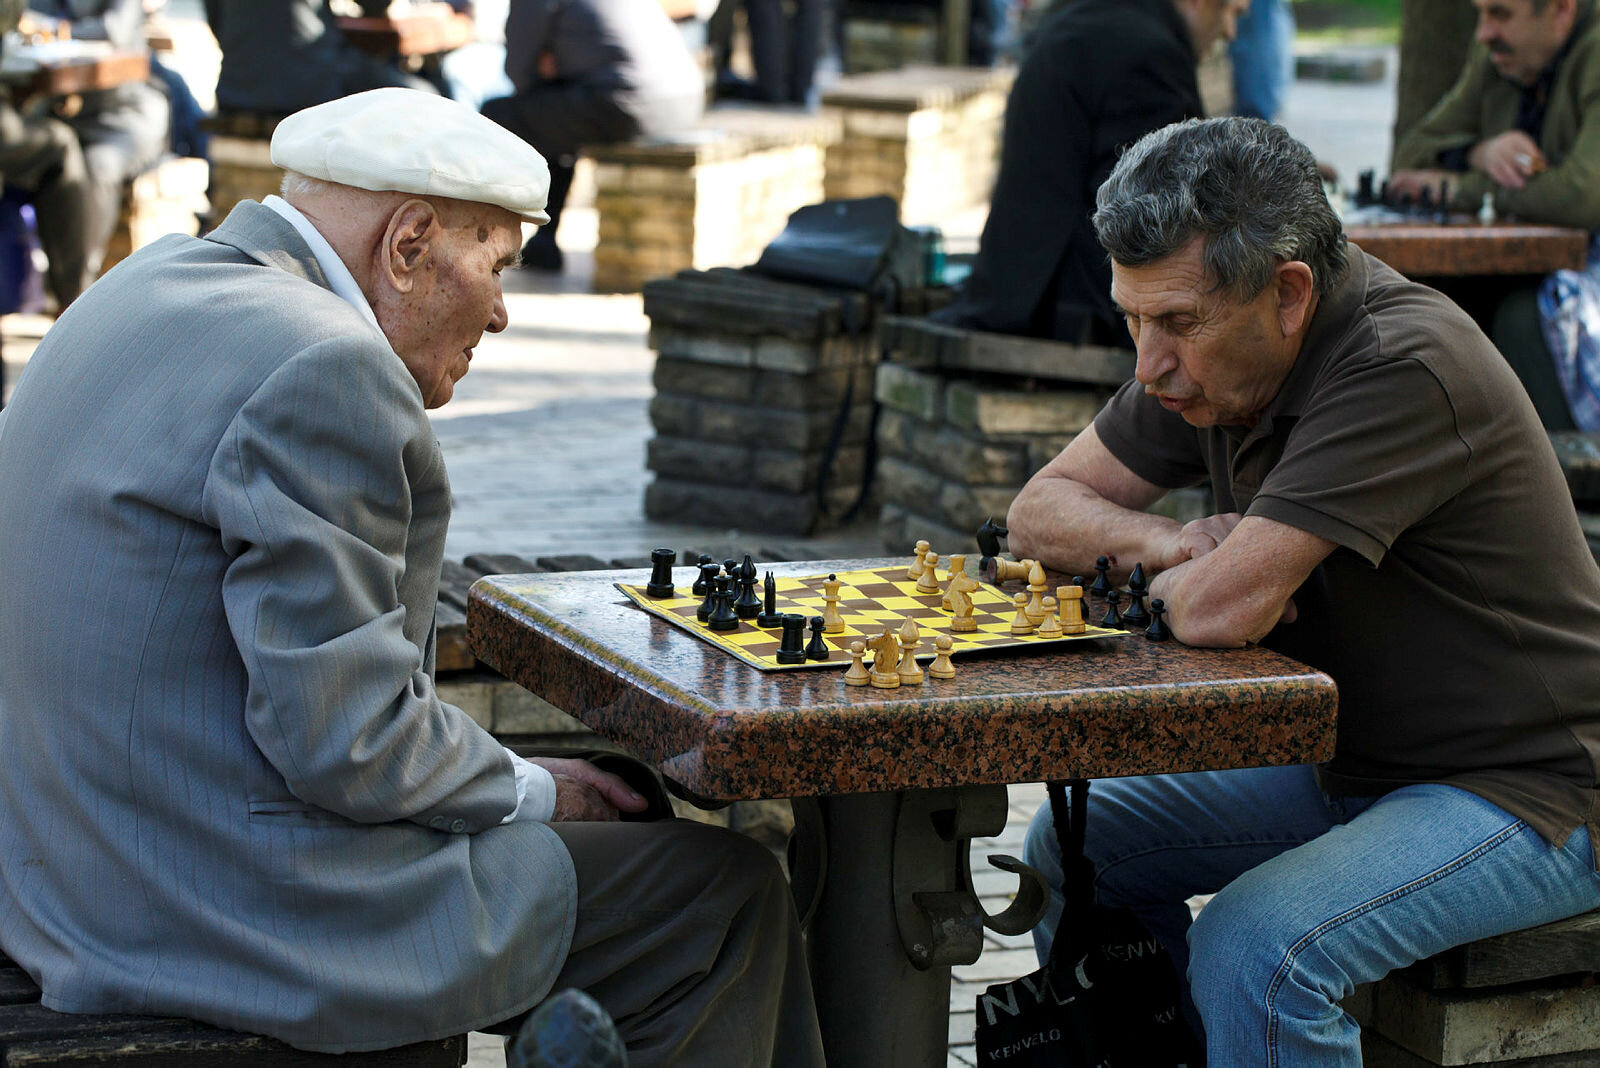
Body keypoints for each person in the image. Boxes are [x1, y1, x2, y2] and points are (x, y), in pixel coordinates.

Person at [0, 87, 823, 1065]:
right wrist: (529, 787)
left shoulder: (144, 283)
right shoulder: (320, 363)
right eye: (498, 262)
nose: (508, 311)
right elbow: (346, 739)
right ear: (407, 244)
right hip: (218, 906)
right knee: (717, 894)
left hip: (66, 865)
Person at [1008, 116, 1600, 1064]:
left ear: (1288, 294)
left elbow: (1219, 612)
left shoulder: (1397, 363)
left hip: (1533, 786)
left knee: (1259, 947)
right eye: (1133, 318)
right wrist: (1171, 540)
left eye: (1174, 325)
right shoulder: (1208, 361)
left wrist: (1188, 579)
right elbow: (1037, 514)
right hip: (1355, 761)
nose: (1147, 363)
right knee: (1077, 848)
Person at [930, 0, 1243, 345]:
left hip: (1014, 291)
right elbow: (1150, 230)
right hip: (1065, 315)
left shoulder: (1087, 21)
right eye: (1230, 12)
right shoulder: (1150, 54)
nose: (1230, 32)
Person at [1390, 0, 1600, 431]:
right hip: (1526, 267)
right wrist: (1478, 152)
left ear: (1561, 12)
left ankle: (1561, 487)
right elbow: (1411, 155)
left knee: (1523, 322)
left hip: (1584, 281)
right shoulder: (1499, 54)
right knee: (1429, 307)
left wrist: (1463, 188)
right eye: (1481, 13)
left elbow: (1582, 195)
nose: (1484, 32)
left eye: (1500, 14)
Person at [484, 0, 704, 272]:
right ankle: (545, 240)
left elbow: (520, 71)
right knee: (554, 110)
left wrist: (551, 68)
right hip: (685, 100)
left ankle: (484, 244)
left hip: (631, 104)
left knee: (496, 115)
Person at [22, 0, 170, 288]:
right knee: (48, 159)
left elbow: (113, 29)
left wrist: (57, 30)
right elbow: (29, 21)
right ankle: (62, 285)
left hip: (124, 115)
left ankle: (83, 286)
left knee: (96, 166)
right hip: (64, 113)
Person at [203, 0, 438, 115]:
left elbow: (217, 23)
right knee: (427, 98)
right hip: (311, 88)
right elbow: (374, 4)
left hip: (237, 88)